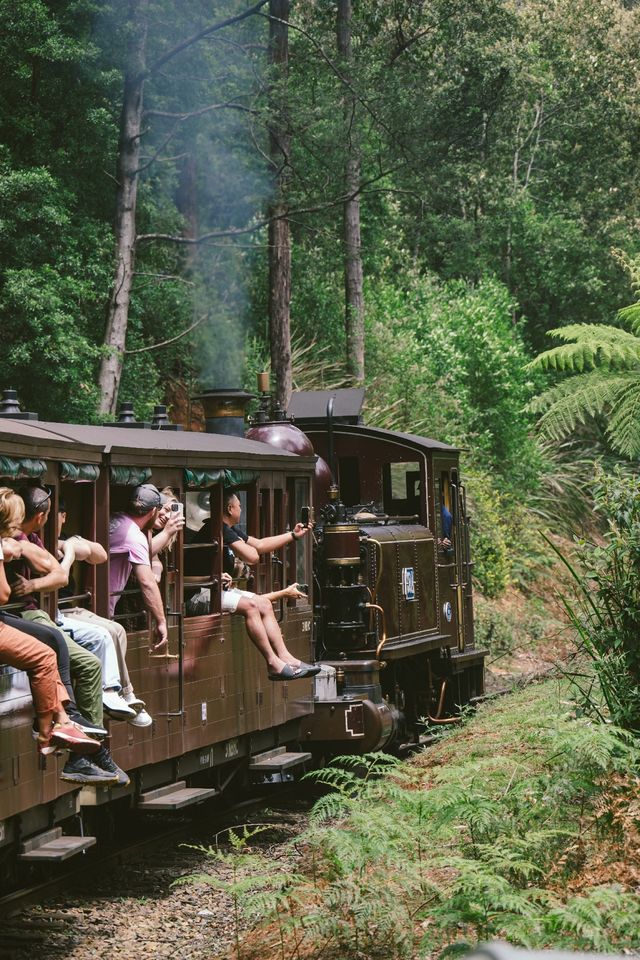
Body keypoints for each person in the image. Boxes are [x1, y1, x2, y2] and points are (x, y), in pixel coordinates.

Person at [4, 485, 128, 785]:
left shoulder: (20, 540)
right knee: (70, 658)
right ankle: (66, 732)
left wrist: (28, 552)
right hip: (21, 612)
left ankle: (74, 729)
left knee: (58, 642)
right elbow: (5, 592)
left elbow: (60, 572)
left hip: (31, 612)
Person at [56, 502, 152, 727]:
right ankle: (110, 693)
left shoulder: (64, 538)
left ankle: (124, 693)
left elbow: (99, 554)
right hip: (57, 609)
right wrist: (69, 552)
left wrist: (70, 544)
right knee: (105, 632)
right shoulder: (35, 541)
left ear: (63, 516)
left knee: (117, 628)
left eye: (56, 516)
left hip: (70, 607)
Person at [218, 490, 319, 681]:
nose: (240, 508)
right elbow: (254, 556)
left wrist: (293, 535)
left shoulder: (230, 530)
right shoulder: (221, 529)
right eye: (239, 505)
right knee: (252, 606)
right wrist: (241, 546)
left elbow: (261, 545)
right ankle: (272, 662)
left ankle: (286, 657)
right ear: (230, 509)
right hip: (207, 591)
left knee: (264, 604)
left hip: (222, 589)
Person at [108, 483, 168, 652]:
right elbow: (147, 582)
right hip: (105, 609)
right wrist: (161, 621)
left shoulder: (115, 519)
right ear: (152, 512)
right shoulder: (134, 536)